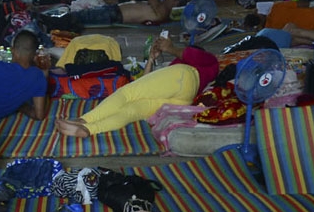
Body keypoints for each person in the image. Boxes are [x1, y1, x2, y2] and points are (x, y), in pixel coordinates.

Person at [56, 36, 219, 138]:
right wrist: (150, 60)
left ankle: (84, 120)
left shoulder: (209, 62)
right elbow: (145, 82)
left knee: (126, 93)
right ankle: (89, 130)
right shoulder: (185, 70)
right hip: (183, 100)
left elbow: (192, 55)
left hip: (184, 77)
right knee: (131, 111)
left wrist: (171, 48)